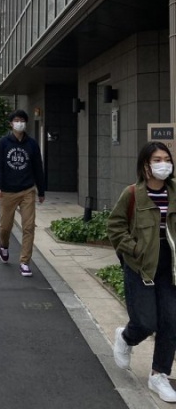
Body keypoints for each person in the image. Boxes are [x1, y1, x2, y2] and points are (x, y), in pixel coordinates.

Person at [107, 141, 176, 403]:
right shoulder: (133, 193)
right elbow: (115, 226)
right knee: (146, 322)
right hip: (141, 265)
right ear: (146, 165)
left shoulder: (175, 192)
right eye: (157, 159)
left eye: (166, 158)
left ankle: (159, 375)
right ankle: (125, 337)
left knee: (171, 323)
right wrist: (133, 249)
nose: (163, 164)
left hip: (171, 266)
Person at [0, 109, 45, 277]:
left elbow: (38, 167)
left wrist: (41, 190)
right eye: (16, 120)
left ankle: (25, 262)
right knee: (5, 227)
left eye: (22, 120)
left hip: (27, 190)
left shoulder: (32, 144)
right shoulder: (3, 143)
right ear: (11, 124)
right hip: (7, 191)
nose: (19, 123)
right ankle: (4, 245)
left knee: (29, 227)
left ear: (26, 123)